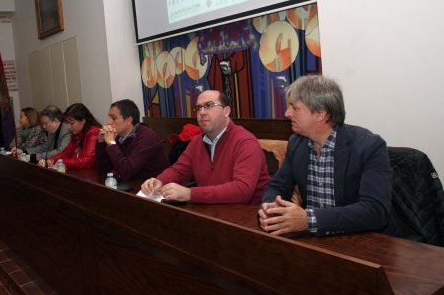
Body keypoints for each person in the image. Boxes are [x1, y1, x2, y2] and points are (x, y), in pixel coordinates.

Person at [258, 75, 398, 237]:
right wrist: (269, 208)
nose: (287, 113)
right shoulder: (297, 143)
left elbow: (375, 210)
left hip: (365, 240)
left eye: (295, 108)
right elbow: (278, 186)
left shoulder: (369, 146)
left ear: (320, 114)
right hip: (317, 241)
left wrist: (309, 220)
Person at [141, 90, 270, 204]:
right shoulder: (197, 142)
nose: (202, 112)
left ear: (226, 111)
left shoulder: (245, 142)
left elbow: (242, 190)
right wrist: (159, 181)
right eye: (198, 108)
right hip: (211, 212)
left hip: (247, 217)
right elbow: (179, 170)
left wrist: (190, 194)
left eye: (209, 106)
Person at [95, 99, 169, 181]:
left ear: (128, 120)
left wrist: (111, 143)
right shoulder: (118, 136)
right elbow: (103, 170)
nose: (108, 122)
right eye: (109, 117)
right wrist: (101, 141)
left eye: (113, 118)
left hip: (153, 188)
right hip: (131, 184)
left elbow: (126, 172)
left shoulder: (147, 137)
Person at [39, 103, 101, 170]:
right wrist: (52, 160)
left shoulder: (94, 132)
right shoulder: (76, 133)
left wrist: (62, 162)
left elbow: (86, 161)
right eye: (67, 123)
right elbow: (67, 152)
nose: (68, 127)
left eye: (72, 123)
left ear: (83, 121)